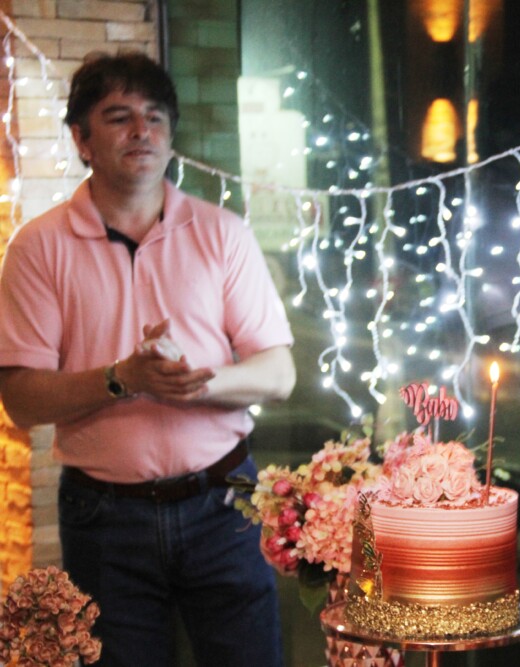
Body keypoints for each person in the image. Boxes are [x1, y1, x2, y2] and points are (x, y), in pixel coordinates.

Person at [0, 52, 295, 666]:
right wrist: (122, 379)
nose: (142, 131)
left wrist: (199, 383)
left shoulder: (222, 232)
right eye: (119, 117)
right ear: (81, 140)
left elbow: (279, 373)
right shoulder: (39, 246)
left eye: (155, 117)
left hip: (225, 499)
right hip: (105, 518)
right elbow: (21, 399)